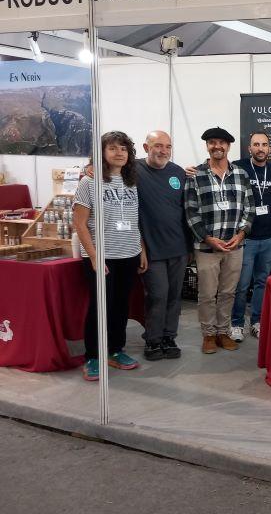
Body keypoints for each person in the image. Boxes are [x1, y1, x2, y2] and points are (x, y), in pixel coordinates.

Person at [73, 131, 147, 381]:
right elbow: (80, 223)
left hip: (128, 253)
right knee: (99, 307)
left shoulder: (131, 182)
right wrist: (94, 256)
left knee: (121, 305)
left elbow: (134, 220)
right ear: (101, 153)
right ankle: (93, 356)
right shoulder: (89, 182)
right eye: (113, 148)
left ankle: (115, 350)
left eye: (124, 149)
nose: (119, 153)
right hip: (102, 256)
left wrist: (141, 249)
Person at [184, 127, 254, 355]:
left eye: (221, 142)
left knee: (228, 292)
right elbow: (191, 212)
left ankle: (223, 332)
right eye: (212, 142)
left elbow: (249, 208)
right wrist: (208, 238)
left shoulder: (241, 174)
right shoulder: (196, 175)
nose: (217, 146)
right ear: (207, 146)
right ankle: (208, 334)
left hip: (235, 246)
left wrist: (241, 235)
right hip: (206, 247)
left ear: (228, 146)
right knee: (206, 294)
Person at [136, 130, 191, 361]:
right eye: (158, 145)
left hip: (178, 247)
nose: (164, 151)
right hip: (152, 249)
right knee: (158, 295)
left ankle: (169, 337)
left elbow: (186, 210)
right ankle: (153, 339)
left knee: (175, 296)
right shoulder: (133, 170)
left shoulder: (178, 173)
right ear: (146, 147)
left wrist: (190, 247)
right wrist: (90, 168)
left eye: (168, 146)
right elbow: (106, 169)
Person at [230, 132, 271, 342]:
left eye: (264, 144)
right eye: (256, 144)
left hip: (268, 237)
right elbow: (214, 166)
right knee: (241, 285)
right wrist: (192, 170)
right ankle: (236, 324)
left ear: (269, 149)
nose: (260, 148)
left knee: (261, 283)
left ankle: (257, 321)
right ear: (249, 148)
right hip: (246, 237)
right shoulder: (238, 167)